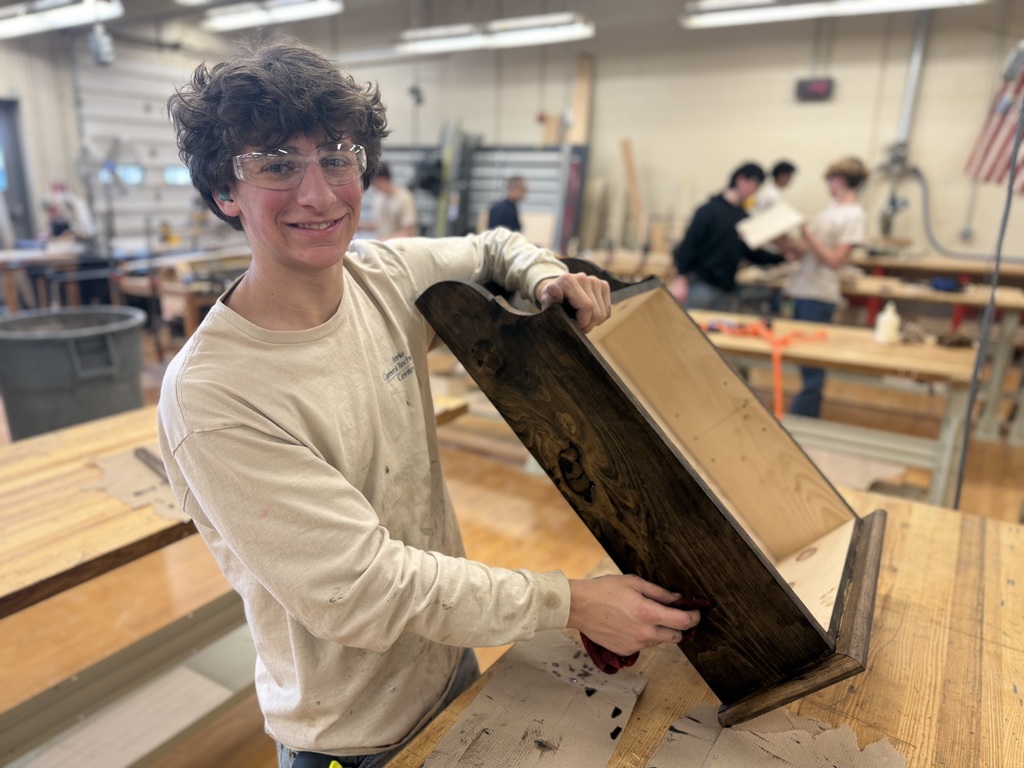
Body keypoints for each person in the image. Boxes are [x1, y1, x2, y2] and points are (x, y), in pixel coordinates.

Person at [159, 38, 701, 768]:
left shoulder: (384, 276)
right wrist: (571, 601)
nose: (318, 194)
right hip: (351, 736)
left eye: (337, 157)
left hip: (449, 669)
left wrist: (545, 278)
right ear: (225, 191)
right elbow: (360, 591)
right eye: (277, 164)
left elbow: (498, 245)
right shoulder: (215, 394)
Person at [784, 156, 868, 417]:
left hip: (819, 294)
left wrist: (808, 234)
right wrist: (778, 239)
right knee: (801, 357)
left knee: (812, 362)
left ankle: (804, 418)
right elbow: (802, 251)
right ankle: (804, 413)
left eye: (830, 180)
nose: (828, 186)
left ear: (840, 180)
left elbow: (834, 261)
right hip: (802, 289)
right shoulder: (830, 211)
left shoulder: (854, 215)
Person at [670, 163, 786, 311]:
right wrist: (681, 278)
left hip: (726, 289)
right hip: (701, 285)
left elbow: (751, 252)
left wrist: (782, 258)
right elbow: (688, 246)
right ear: (740, 180)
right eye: (754, 184)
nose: (754, 191)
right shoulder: (709, 210)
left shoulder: (743, 217)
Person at [369, 161, 418, 239]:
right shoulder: (379, 197)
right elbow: (381, 224)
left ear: (384, 179)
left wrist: (385, 240)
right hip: (383, 247)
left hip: (399, 248)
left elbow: (409, 231)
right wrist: (359, 226)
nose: (374, 186)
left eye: (375, 183)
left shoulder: (404, 197)